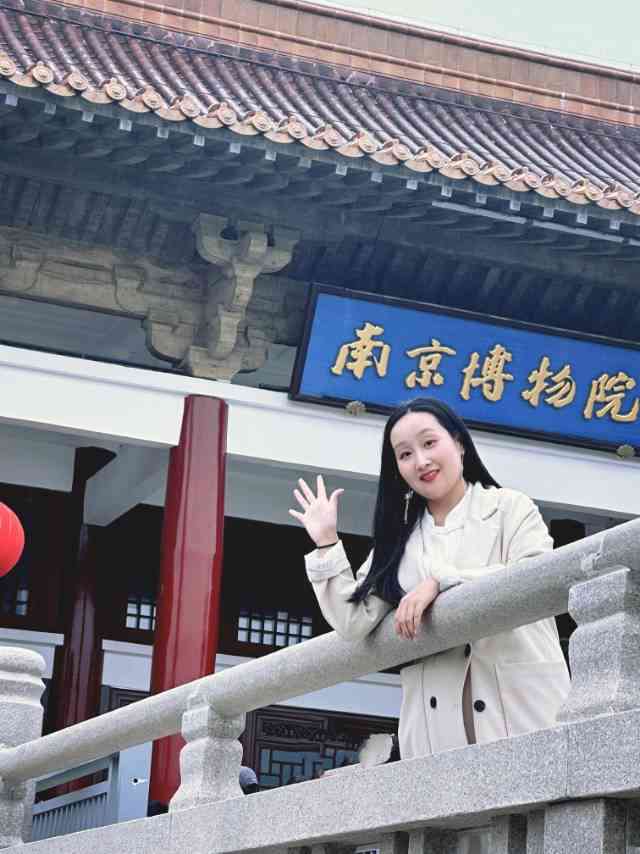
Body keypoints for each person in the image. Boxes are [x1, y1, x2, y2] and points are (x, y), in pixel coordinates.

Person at [289, 397, 570, 760]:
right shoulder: (398, 542)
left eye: (429, 442)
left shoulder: (510, 508)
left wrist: (440, 582)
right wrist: (327, 542)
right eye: (405, 454)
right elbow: (353, 622)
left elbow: (534, 580)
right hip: (436, 727)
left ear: (459, 443)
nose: (421, 461)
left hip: (522, 707)